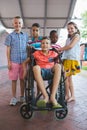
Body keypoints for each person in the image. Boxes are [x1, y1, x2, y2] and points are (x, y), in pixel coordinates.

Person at [23, 36, 62, 108]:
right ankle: (46, 96)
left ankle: (52, 97)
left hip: (51, 72)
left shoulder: (54, 53)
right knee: (36, 67)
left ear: (50, 46)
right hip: (41, 73)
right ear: (41, 45)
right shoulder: (36, 53)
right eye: (43, 43)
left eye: (47, 43)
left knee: (58, 66)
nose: (45, 45)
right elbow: (24, 62)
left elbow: (60, 62)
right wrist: (25, 71)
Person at [5, 16, 29, 106]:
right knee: (14, 80)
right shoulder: (10, 36)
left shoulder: (26, 36)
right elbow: (8, 50)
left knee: (22, 79)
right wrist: (8, 62)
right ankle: (14, 97)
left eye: (19, 23)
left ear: (22, 24)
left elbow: (28, 48)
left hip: (23, 62)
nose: (17, 24)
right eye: (15, 23)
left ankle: (22, 96)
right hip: (14, 62)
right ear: (13, 24)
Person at [58, 21, 81, 102]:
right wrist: (60, 50)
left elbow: (70, 46)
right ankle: (68, 95)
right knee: (67, 79)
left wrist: (61, 49)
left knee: (67, 79)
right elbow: (65, 47)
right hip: (66, 59)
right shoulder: (68, 38)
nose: (70, 30)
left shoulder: (77, 36)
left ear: (75, 28)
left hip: (71, 60)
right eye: (68, 29)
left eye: (71, 28)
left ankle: (69, 96)